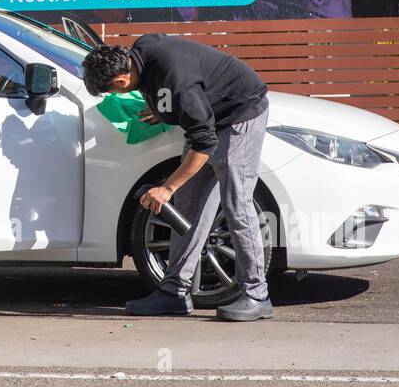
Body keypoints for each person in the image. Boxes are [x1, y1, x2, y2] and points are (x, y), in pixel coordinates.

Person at [80, 34, 273, 322]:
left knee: (236, 204)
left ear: (121, 81)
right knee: (187, 205)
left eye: (113, 92)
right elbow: (179, 96)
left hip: (239, 114)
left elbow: (204, 143)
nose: (117, 96)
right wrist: (163, 111)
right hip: (207, 118)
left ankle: (257, 295)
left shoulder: (176, 81)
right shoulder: (142, 53)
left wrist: (167, 188)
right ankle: (174, 292)